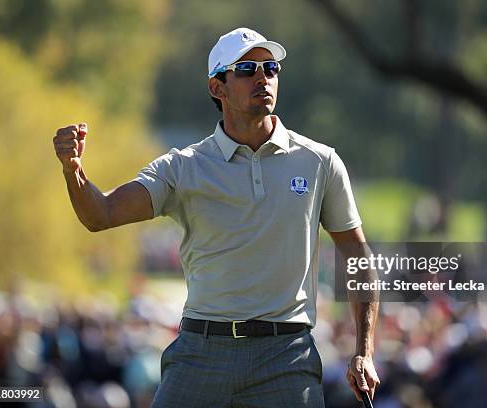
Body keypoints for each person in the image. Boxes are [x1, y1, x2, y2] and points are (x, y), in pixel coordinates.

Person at [53, 27, 379, 407]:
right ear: (217, 88)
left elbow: (356, 255)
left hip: (286, 356)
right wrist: (72, 170)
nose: (263, 77)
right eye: (246, 69)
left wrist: (364, 350)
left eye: (270, 67)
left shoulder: (320, 161)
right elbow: (102, 214)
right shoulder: (182, 167)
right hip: (201, 353)